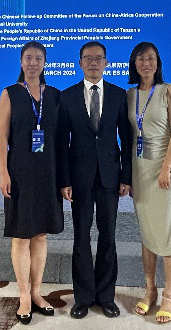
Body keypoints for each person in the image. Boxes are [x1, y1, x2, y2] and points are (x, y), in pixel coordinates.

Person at [57, 40, 133, 319]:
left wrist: (126, 176)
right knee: (81, 237)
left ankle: (106, 296)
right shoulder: (66, 96)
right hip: (79, 177)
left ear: (106, 63)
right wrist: (65, 180)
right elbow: (61, 142)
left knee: (108, 236)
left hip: (110, 176)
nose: (93, 63)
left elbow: (126, 138)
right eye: (88, 58)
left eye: (98, 58)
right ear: (79, 63)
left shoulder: (118, 95)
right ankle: (83, 297)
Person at [0, 41, 64, 325]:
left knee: (41, 235)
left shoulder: (55, 95)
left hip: (48, 172)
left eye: (38, 58)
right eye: (28, 58)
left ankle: (37, 292)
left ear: (45, 63)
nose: (33, 63)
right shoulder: (10, 93)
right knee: (22, 235)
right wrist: (3, 173)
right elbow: (2, 137)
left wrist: (64, 178)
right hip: (20, 172)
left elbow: (61, 139)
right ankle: (24, 295)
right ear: (21, 61)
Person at [127, 41, 171, 325]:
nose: (145, 63)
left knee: (169, 232)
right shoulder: (130, 94)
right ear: (134, 64)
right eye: (140, 59)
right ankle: (150, 290)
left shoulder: (168, 90)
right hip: (140, 169)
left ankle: (169, 295)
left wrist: (166, 168)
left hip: (164, 169)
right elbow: (128, 136)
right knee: (148, 233)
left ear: (157, 62)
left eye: (150, 58)